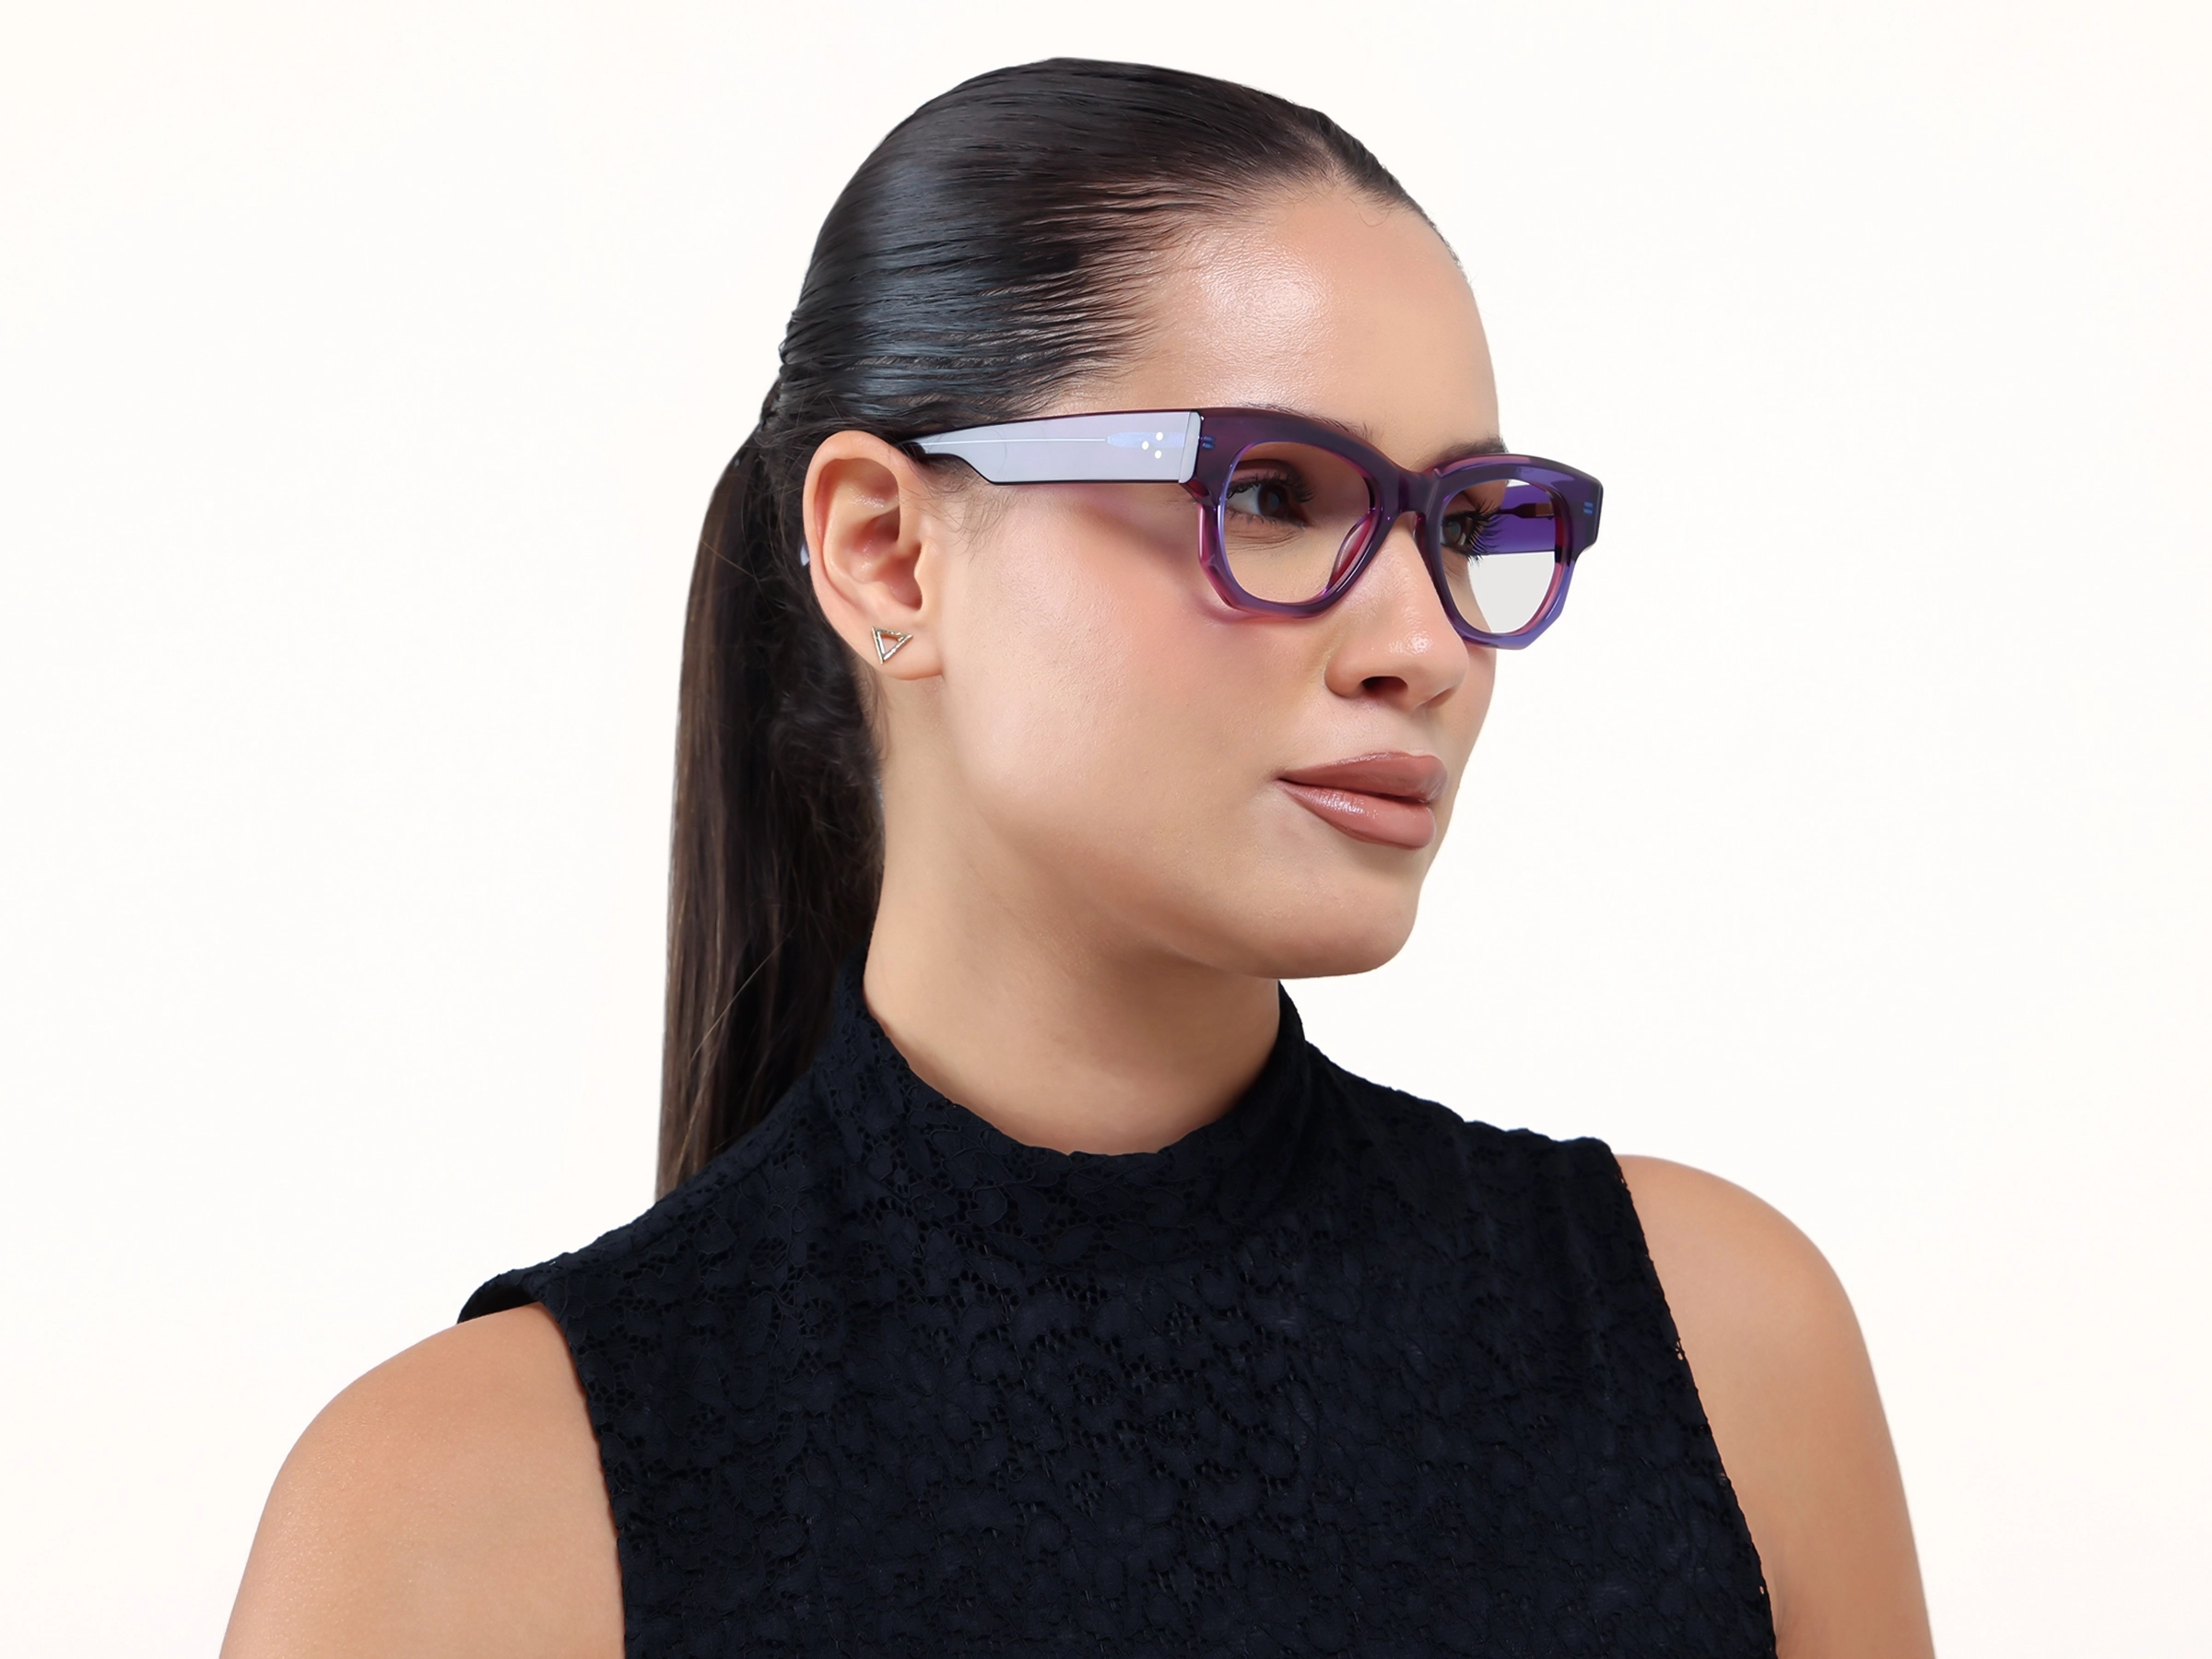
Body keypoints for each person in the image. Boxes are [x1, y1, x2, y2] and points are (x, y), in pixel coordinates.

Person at [221, 59, 1932, 1659]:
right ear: (888, 555)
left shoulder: (1719, 1350)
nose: (1426, 645)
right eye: (1271, 495)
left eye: (1467, 525)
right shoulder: (464, 1516)